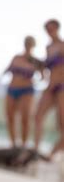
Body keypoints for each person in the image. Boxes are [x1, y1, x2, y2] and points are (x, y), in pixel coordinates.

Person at [0, 36, 41, 147]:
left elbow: (43, 76)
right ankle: (13, 144)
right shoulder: (16, 57)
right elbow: (7, 69)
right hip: (12, 88)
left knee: (25, 118)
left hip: (26, 90)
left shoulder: (35, 61)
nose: (28, 45)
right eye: (26, 43)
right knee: (10, 116)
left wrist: (34, 81)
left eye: (30, 43)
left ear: (33, 45)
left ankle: (23, 145)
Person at [34, 19, 64, 159]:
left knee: (62, 125)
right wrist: (40, 70)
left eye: (51, 29)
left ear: (57, 28)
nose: (49, 32)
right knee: (38, 117)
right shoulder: (48, 47)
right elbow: (46, 68)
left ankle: (52, 155)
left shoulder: (62, 45)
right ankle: (35, 151)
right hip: (50, 87)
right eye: (47, 29)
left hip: (62, 87)